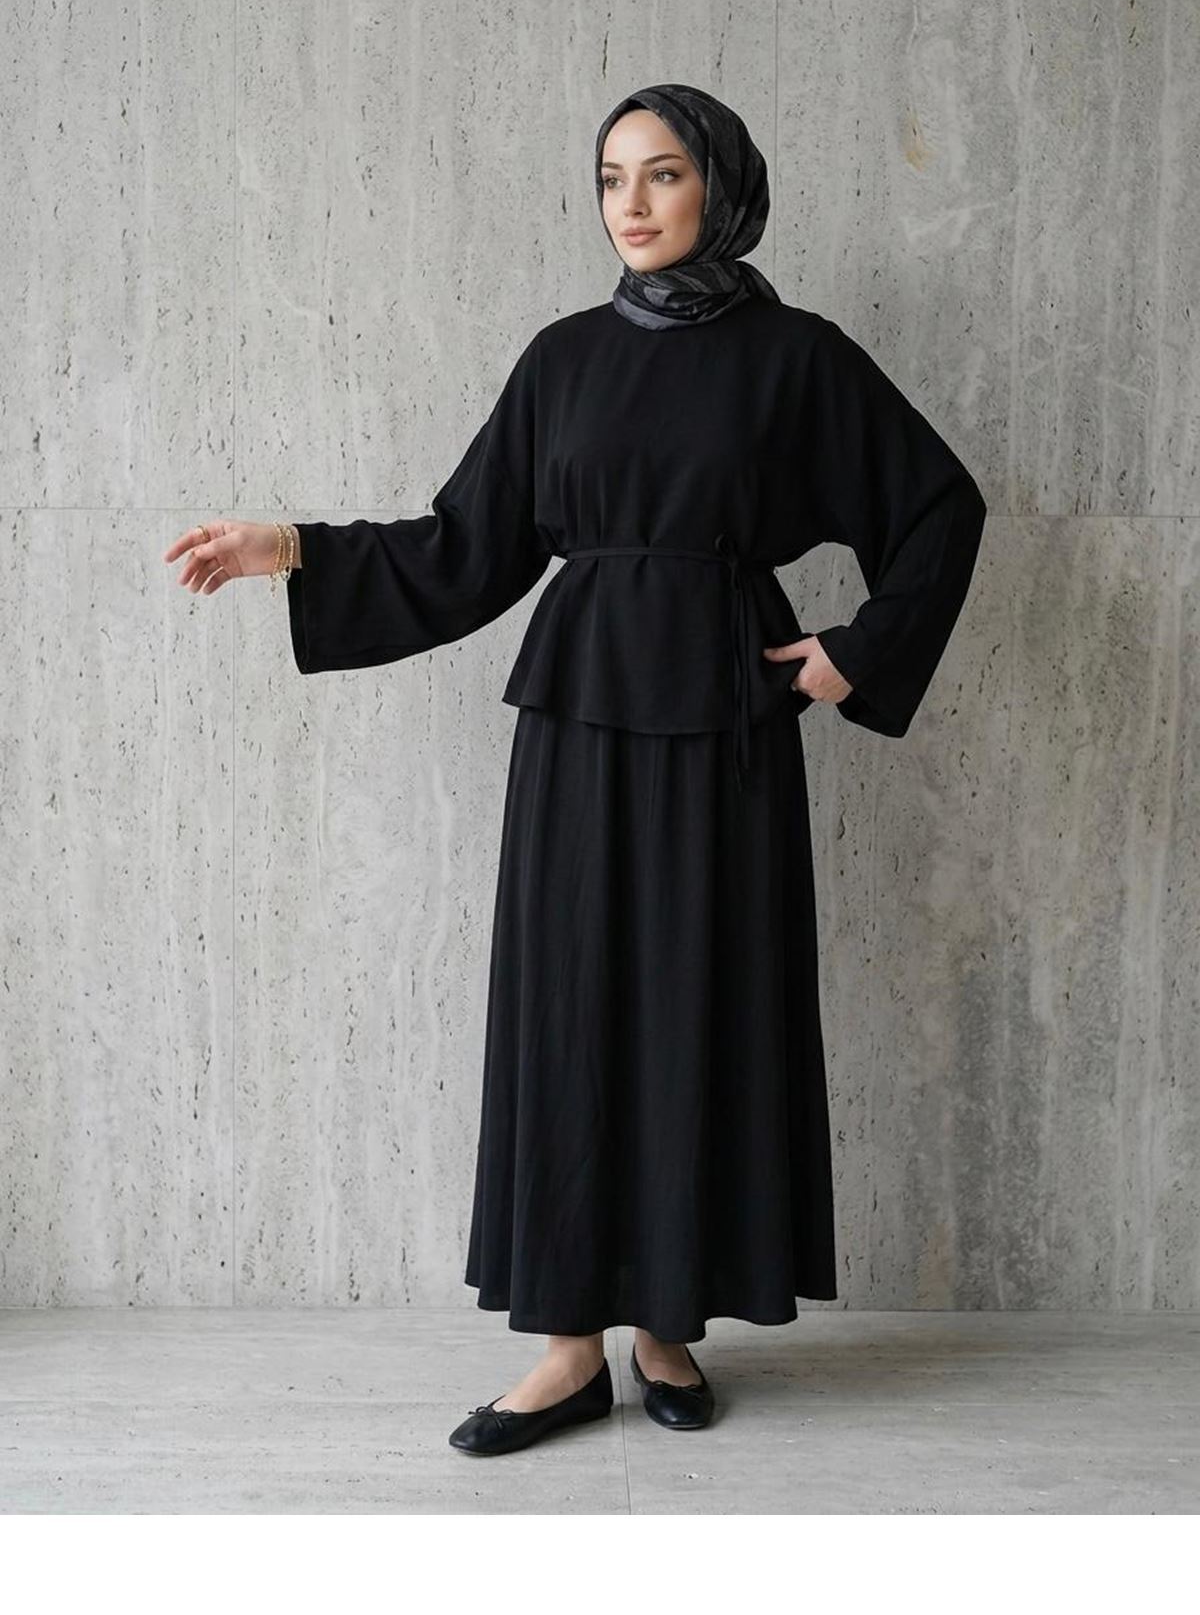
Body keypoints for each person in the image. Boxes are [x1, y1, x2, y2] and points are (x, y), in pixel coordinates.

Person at [163, 82, 987, 1458]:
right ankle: (565, 1351)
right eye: (613, 178)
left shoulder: (799, 359)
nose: (633, 204)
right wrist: (292, 547)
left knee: (701, 1006)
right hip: (581, 722)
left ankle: (667, 1328)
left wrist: (855, 653)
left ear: (721, 186)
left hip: (726, 722)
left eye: (663, 174)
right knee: (571, 1010)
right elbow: (466, 547)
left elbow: (939, 508)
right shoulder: (562, 359)